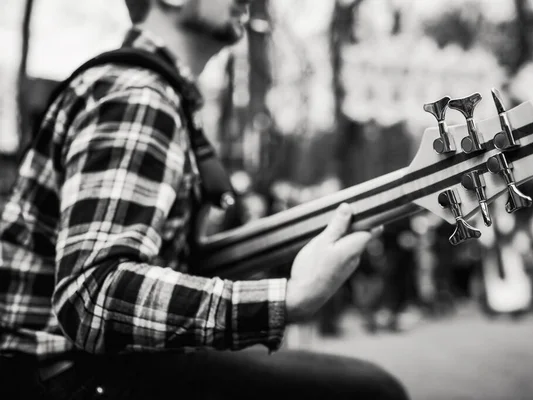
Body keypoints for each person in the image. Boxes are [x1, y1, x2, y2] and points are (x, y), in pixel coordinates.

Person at [0, 1, 409, 399]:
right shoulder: (139, 95)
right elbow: (92, 296)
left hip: (77, 368)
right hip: (66, 374)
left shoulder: (155, 93)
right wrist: (287, 299)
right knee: (370, 390)